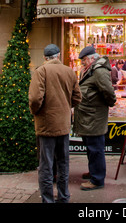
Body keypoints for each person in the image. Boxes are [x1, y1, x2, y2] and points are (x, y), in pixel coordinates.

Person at [29, 44, 82, 203]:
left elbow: (34, 99)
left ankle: (48, 199)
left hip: (46, 126)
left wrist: (36, 112)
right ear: (58, 56)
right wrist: (66, 108)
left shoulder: (41, 71)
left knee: (46, 166)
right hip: (63, 126)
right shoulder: (69, 71)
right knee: (63, 163)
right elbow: (77, 98)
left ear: (45, 58)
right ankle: (63, 196)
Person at [74, 45, 116, 191]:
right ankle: (93, 172)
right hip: (88, 115)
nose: (82, 63)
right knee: (90, 146)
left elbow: (108, 91)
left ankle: (97, 179)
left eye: (84, 60)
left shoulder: (99, 71)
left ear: (92, 58)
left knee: (95, 148)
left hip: (94, 116)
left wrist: (111, 103)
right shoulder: (89, 70)